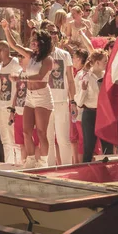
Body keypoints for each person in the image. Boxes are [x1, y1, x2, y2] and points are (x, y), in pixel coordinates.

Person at [1, 19, 54, 168]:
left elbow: (39, 76)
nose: (33, 42)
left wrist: (20, 77)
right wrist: (6, 29)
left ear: (43, 43)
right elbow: (14, 45)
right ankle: (30, 160)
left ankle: (43, 162)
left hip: (43, 96)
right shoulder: (31, 56)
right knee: (26, 131)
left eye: (36, 40)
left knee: (42, 132)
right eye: (33, 39)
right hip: (30, 97)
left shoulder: (47, 59)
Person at [44, 21, 76, 165]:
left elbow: (70, 79)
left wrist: (73, 100)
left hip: (62, 101)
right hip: (44, 102)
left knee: (63, 139)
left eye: (55, 32)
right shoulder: (39, 55)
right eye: (50, 32)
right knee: (48, 138)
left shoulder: (64, 54)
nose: (53, 35)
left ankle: (67, 169)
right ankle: (49, 169)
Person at [76, 49, 112, 162]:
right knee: (89, 147)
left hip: (104, 113)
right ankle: (86, 173)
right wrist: (83, 90)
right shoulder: (83, 75)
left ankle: (109, 172)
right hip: (90, 113)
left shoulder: (107, 75)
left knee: (108, 147)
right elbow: (79, 103)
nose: (107, 63)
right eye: (104, 61)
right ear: (96, 62)